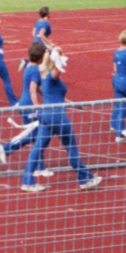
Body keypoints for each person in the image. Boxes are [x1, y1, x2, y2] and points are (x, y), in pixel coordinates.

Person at [18, 46, 102, 193]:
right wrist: (57, 53)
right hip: (57, 117)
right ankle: (84, 178)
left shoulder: (43, 75)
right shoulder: (51, 75)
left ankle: (27, 181)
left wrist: (73, 105)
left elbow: (53, 97)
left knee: (37, 148)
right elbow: (58, 68)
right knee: (71, 148)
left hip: (46, 116)